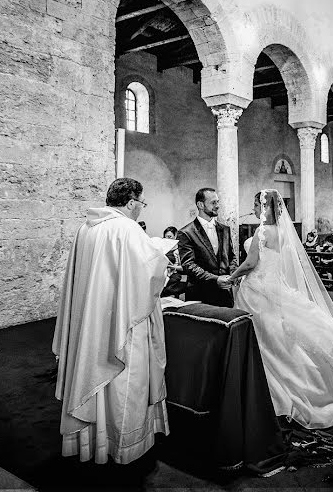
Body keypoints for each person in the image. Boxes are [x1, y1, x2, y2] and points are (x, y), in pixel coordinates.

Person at [229, 190, 333, 429]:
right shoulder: (281, 231)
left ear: (264, 207)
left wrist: (231, 276)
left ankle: (275, 385)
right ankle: (312, 379)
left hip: (258, 289)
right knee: (280, 334)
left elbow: (252, 263)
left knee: (267, 337)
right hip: (275, 286)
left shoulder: (261, 231)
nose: (253, 210)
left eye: (255, 205)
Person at [52, 178, 172, 464]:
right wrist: (163, 260)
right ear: (131, 202)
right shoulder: (127, 228)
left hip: (91, 322)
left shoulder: (86, 228)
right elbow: (147, 274)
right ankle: (124, 443)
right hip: (122, 321)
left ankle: (91, 440)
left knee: (92, 368)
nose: (141, 209)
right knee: (125, 380)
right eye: (141, 204)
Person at [175, 188, 236, 307]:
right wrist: (215, 280)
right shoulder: (186, 232)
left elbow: (231, 256)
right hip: (200, 294)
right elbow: (188, 265)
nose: (218, 206)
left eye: (218, 202)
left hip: (225, 295)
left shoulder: (225, 229)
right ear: (200, 205)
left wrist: (233, 275)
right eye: (213, 202)